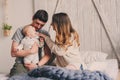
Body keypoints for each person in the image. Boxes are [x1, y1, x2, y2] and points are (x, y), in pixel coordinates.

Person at [10, 10, 54, 77]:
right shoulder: (20, 30)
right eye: (37, 23)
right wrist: (31, 51)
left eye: (42, 25)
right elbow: (13, 53)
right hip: (21, 64)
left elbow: (48, 55)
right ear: (33, 18)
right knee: (17, 77)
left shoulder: (44, 34)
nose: (39, 27)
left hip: (36, 63)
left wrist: (37, 65)